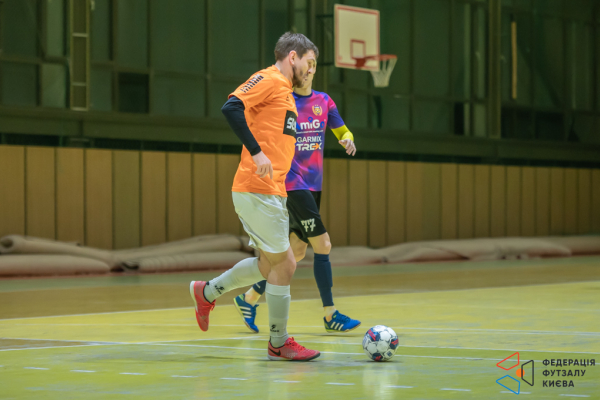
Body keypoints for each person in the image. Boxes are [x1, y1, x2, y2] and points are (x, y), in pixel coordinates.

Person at [189, 32, 320, 361]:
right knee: (285, 264)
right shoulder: (269, 78)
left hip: (270, 190)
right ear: (293, 56)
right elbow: (231, 107)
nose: (311, 70)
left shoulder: (286, 92)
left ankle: (206, 292)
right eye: (309, 62)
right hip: (257, 188)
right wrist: (257, 152)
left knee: (267, 265)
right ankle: (278, 342)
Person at [233, 59, 361, 334]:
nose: (308, 69)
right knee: (323, 244)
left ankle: (249, 298)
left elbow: (341, 129)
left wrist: (347, 138)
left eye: (313, 64)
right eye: (305, 64)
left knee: (297, 251)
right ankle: (330, 314)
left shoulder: (324, 101)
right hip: (291, 183)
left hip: (313, 186)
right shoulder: (283, 98)